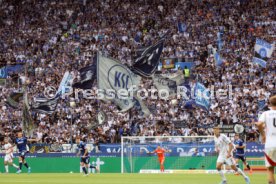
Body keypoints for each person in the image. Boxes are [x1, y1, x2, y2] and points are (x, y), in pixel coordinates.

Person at [256, 95, 276, 184]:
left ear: (270, 104)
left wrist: (263, 135)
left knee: (270, 169)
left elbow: (259, 124)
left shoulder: (266, 113)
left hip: (270, 144)